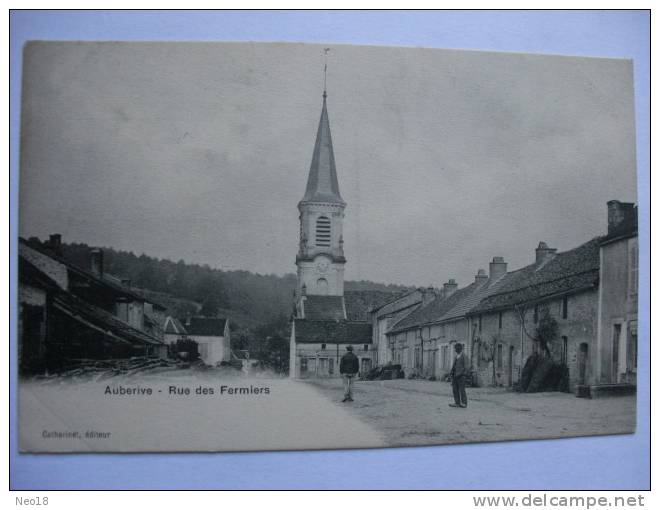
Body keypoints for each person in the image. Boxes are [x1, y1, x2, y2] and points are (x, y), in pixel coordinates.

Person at [449, 343, 469, 408]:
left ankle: (464, 403)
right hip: (455, 375)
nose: (455, 350)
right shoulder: (456, 356)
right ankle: (457, 403)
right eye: (455, 348)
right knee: (455, 389)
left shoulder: (464, 356)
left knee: (462, 390)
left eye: (456, 348)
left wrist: (463, 374)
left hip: (461, 376)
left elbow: (466, 367)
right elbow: (454, 366)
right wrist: (451, 372)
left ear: (460, 349)